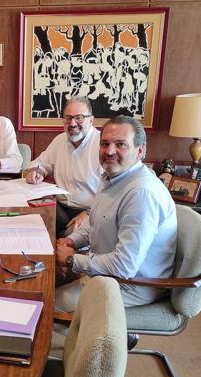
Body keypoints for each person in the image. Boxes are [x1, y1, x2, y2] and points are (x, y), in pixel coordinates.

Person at [54, 115, 177, 312]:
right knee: (42, 275)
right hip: (105, 272)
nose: (110, 151)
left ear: (140, 150)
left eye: (121, 144)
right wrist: (72, 241)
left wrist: (71, 259)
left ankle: (93, 339)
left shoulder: (141, 194)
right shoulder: (114, 177)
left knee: (45, 303)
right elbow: (94, 223)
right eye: (105, 144)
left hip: (130, 285)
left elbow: (124, 265)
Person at [26, 96, 102, 236]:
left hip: (90, 212)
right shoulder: (59, 140)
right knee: (28, 224)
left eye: (79, 118)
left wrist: (89, 214)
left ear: (91, 120)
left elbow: (113, 192)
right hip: (59, 209)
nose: (72, 123)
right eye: (68, 118)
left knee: (71, 236)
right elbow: (40, 163)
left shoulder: (102, 145)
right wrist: (36, 172)